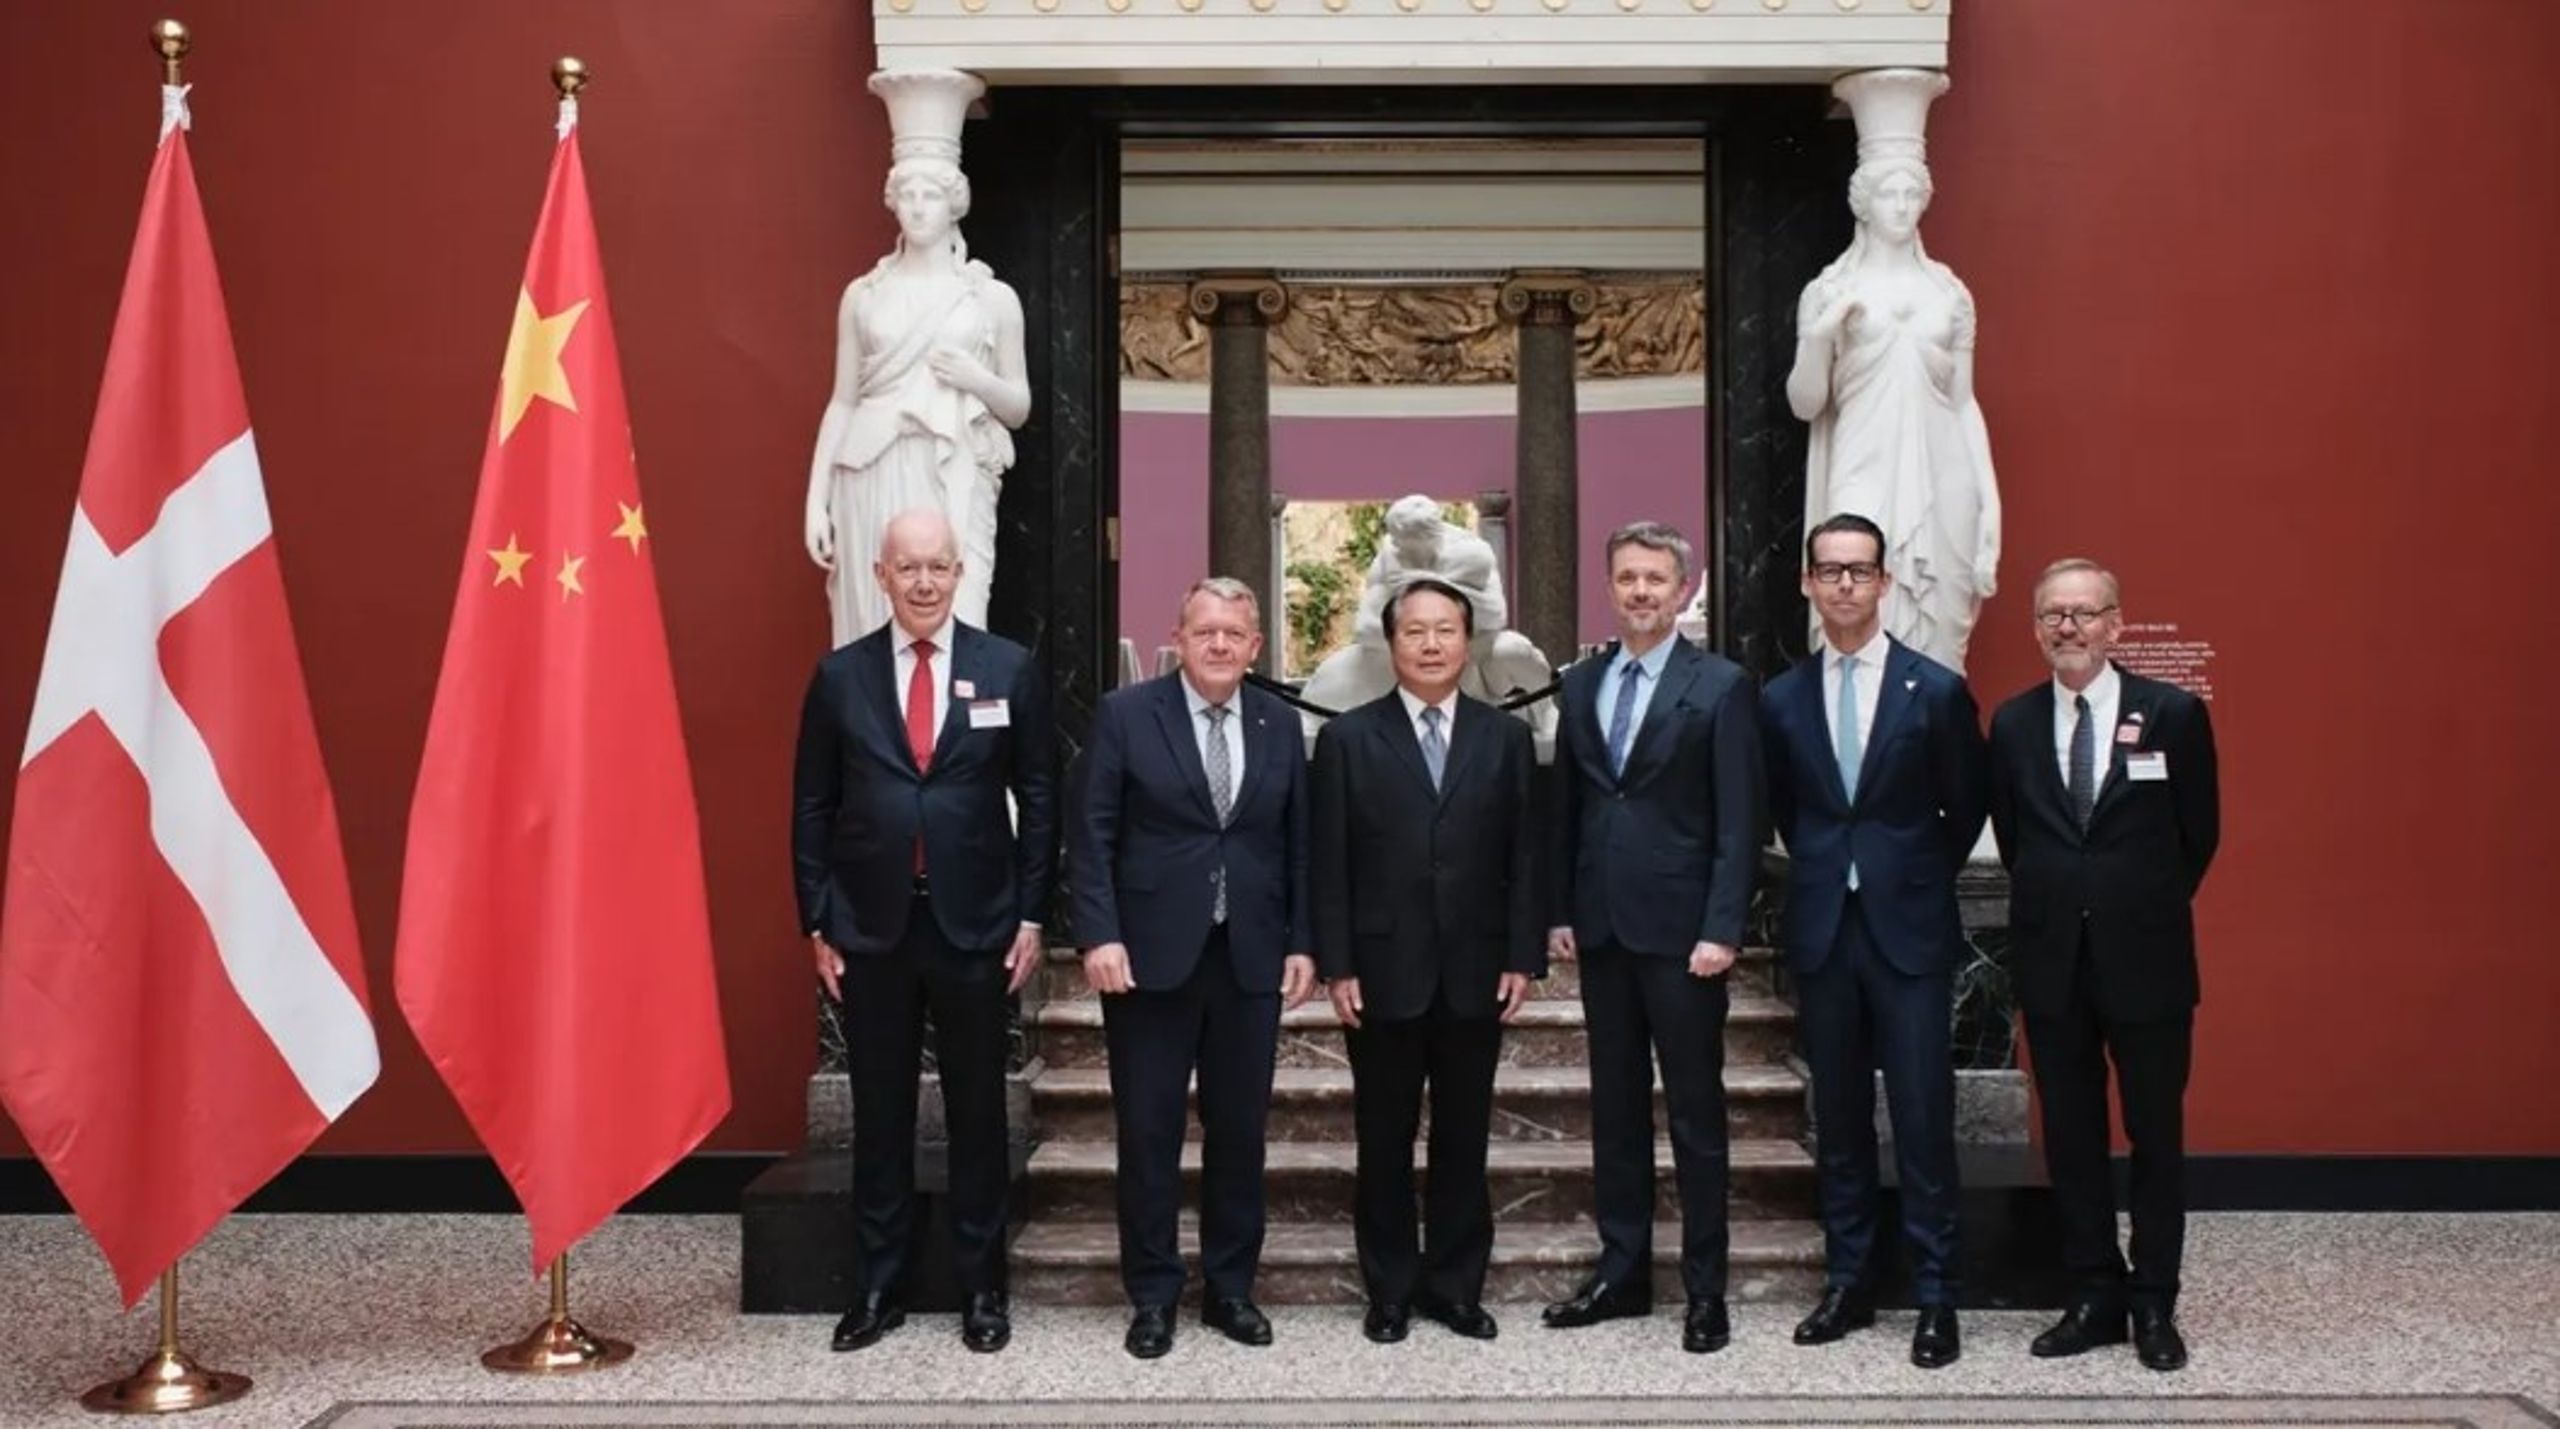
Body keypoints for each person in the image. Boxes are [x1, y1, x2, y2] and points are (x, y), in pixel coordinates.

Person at [791, 507, 1053, 1354]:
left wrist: (1032, 912)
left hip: (977, 926)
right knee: (880, 1113)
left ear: (958, 571)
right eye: (909, 567)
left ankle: (982, 1288)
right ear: (882, 576)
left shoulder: (1007, 668)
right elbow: (812, 805)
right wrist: (817, 918)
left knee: (979, 1114)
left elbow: (1041, 796)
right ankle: (879, 1285)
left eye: (939, 565)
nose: (926, 582)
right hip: (871, 929)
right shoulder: (840, 678)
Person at [1068, 577, 1319, 1360]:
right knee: (1149, 1131)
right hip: (1146, 960)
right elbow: (1091, 832)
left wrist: (1303, 941)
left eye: (1233, 633)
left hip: (1250, 956)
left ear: (1255, 646)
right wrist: (1098, 935)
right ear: (1177, 638)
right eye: (1204, 630)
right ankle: (1152, 1294)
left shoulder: (1280, 722)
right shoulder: (1126, 714)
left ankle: (1230, 1288)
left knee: (1240, 1131)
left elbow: (1299, 843)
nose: (1218, 644)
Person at [1760, 512, 1985, 1369]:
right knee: (1841, 1118)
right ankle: (1849, 1283)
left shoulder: (1936, 690)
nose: (1846, 583)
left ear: (1885, 582)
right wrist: (1838, 869)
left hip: (1910, 929)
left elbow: (1964, 805)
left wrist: (1904, 872)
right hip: (1825, 930)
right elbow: (1788, 809)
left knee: (1924, 1115)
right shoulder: (1781, 698)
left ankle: (1936, 1295)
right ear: (1808, 583)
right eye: (1830, 570)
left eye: (1860, 569)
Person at [1988, 558, 2219, 1373]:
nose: (2070, 626)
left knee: (2155, 1134)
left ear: (2116, 623)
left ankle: (2154, 1300)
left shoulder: (2173, 714)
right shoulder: (2013, 723)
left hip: (2148, 961)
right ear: (2036, 628)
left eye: (2085, 612)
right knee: (2073, 1136)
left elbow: (2199, 836)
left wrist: (2129, 903)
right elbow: (2017, 838)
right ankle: (2093, 1291)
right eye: (2054, 614)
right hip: (2053, 962)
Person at [1541, 522, 1763, 1354]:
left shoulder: (1722, 685)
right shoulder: (1581, 682)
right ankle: (1622, 1273)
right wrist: (1559, 910)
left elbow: (1740, 818)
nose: (1640, 590)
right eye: (1628, 576)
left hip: (1685, 937)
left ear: (1682, 588)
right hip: (1602, 929)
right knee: (1616, 1109)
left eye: (1656, 578)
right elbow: (1567, 807)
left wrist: (1722, 926)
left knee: (1697, 1115)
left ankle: (1706, 1289)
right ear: (1609, 586)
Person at [1311, 578, 1543, 1345]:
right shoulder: (1348, 739)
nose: (1432, 643)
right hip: (1380, 971)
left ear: (1467, 640)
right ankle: (1388, 1288)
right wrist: (1338, 964)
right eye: (1416, 630)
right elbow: (1329, 862)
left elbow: (1525, 856)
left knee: (1463, 1135)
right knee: (1383, 1137)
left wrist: (1522, 955)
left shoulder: (1504, 738)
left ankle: (1454, 1285)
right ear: (1392, 642)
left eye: (1446, 629)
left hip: (1478, 968)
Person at [1786, 86, 2000, 676]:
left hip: (1944, 471)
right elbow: (1805, 404)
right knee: (1851, 587)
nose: (1902, 206)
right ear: (1863, 202)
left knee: (1941, 629)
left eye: (1912, 193)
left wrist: (1990, 506)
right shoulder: (1829, 290)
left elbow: (1963, 404)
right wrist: (1820, 336)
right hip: (1862, 466)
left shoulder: (1950, 294)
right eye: (1889, 193)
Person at [803, 156, 1029, 646]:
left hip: (954, 465)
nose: (919, 207)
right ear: (893, 204)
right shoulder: (863, 295)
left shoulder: (990, 298)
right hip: (871, 465)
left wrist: (977, 379)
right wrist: (815, 501)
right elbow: (843, 401)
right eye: (907, 195)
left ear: (954, 205)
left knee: (963, 610)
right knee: (871, 617)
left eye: (931, 195)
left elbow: (1017, 407)